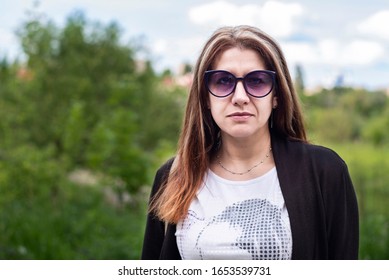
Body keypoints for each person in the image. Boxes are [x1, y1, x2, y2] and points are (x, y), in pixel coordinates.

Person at [141, 25, 359, 260]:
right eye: (223, 81)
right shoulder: (173, 175)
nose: (240, 97)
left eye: (256, 81)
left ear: (276, 95)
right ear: (205, 96)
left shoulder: (324, 172)